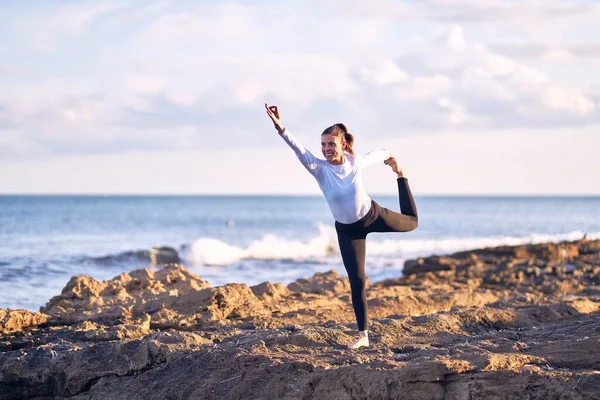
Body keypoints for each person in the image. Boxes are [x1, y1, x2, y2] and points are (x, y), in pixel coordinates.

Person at [264, 103, 418, 349]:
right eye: (323, 145)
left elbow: (379, 154)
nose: (326, 150)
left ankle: (403, 178)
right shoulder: (319, 169)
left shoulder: (354, 162)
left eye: (331, 144)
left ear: (342, 144)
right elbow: (297, 148)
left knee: (412, 223)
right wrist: (280, 126)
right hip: (347, 230)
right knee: (356, 280)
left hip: (372, 215)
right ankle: (364, 336)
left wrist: (392, 160)